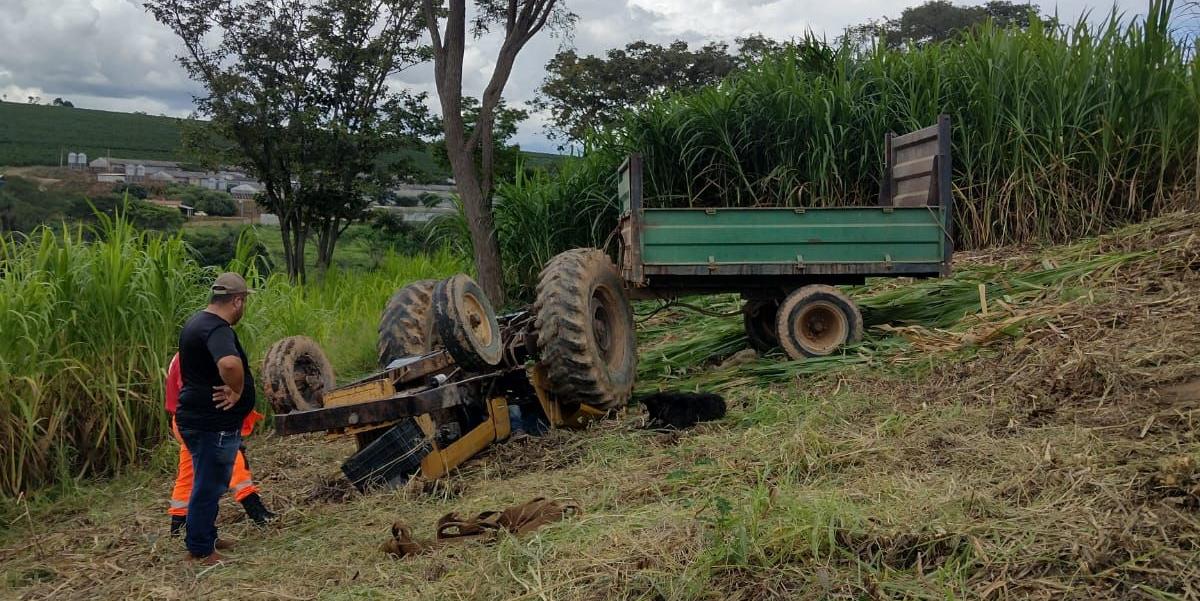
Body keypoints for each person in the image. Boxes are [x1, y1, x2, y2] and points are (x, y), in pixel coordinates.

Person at [176, 272, 259, 565]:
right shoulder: (217, 329)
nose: (243, 308)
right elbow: (228, 363)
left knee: (206, 480)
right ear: (236, 301)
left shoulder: (196, 322)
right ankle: (200, 549)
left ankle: (205, 535)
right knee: (209, 485)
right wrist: (237, 391)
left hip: (195, 418)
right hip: (212, 423)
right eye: (244, 301)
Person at [165, 352, 275, 536]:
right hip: (202, 418)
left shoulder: (180, 356)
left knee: (188, 471)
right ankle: (257, 512)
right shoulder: (206, 353)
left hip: (182, 421)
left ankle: (178, 526)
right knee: (231, 455)